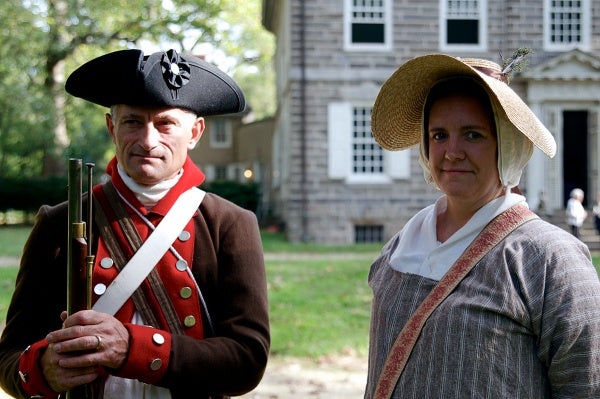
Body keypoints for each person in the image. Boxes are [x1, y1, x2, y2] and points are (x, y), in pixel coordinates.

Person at [0, 48, 270, 399]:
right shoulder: (58, 223)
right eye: (132, 122)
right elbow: (8, 359)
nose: (147, 140)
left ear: (195, 132)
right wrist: (44, 368)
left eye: (165, 123)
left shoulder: (231, 224)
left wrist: (131, 347)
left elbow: (248, 361)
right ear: (112, 127)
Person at [365, 53, 600, 398]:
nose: (452, 152)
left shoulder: (551, 259)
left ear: (507, 146)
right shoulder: (402, 244)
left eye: (473, 135)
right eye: (439, 135)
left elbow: (586, 387)